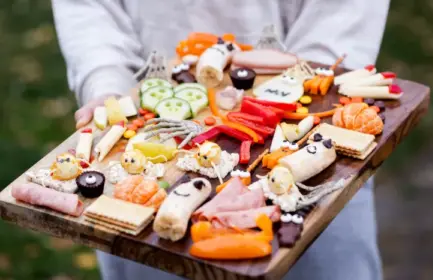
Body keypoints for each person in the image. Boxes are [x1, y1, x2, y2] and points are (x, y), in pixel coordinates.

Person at [51, 1, 390, 279]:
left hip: (314, 170)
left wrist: (302, 88)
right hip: (149, 216)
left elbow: (342, 14)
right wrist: (107, 85)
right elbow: (89, 9)